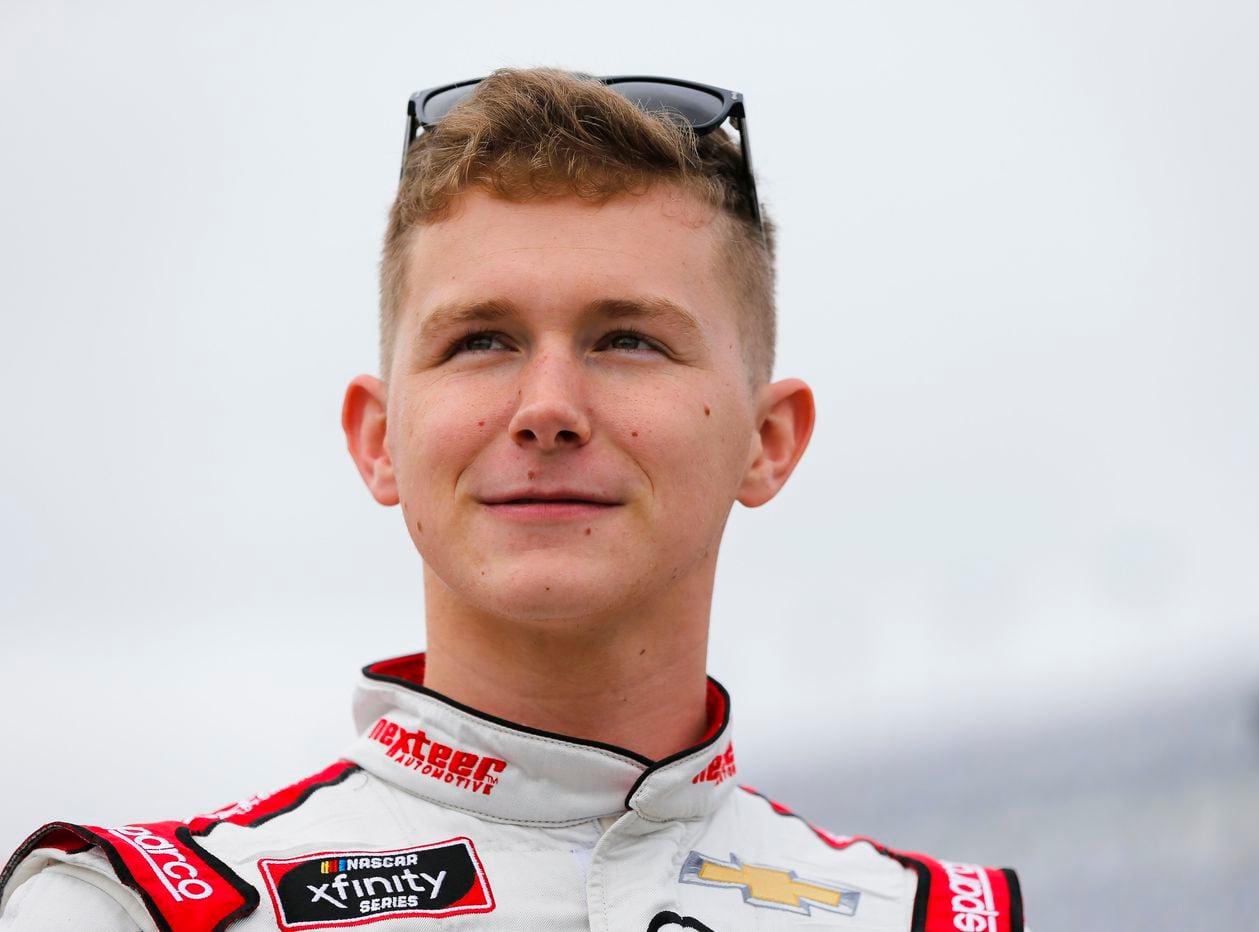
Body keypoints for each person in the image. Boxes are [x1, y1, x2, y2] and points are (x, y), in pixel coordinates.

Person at [0, 68, 1025, 932]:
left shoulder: (931, 917)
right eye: (479, 341)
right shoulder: (121, 911)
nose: (547, 410)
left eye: (628, 339)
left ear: (768, 441)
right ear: (379, 439)